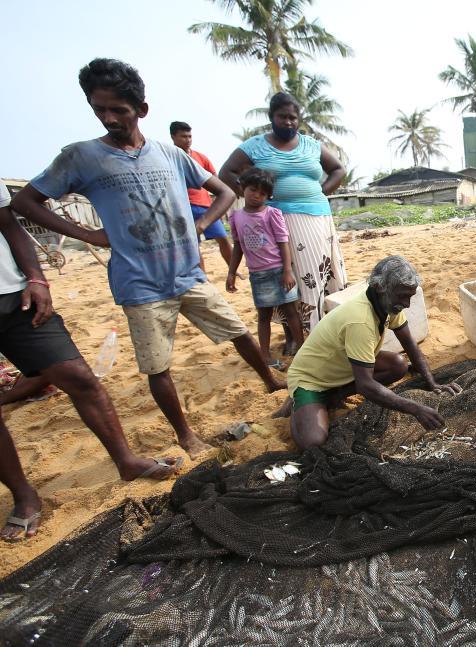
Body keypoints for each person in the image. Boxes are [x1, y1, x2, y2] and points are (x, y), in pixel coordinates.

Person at [11, 58, 285, 458]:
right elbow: (25, 201)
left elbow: (225, 192)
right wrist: (87, 233)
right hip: (139, 284)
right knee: (158, 366)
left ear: (141, 109)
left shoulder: (169, 155)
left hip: (187, 274)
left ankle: (270, 381)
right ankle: (185, 434)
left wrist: (201, 223)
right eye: (99, 110)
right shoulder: (81, 157)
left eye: (118, 110)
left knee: (238, 331)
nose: (109, 118)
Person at [0, 182, 182, 541]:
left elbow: (8, 224)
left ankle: (126, 461)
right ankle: (24, 496)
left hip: (13, 294)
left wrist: (36, 277)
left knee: (77, 376)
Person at [277, 256, 462, 449]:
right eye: (402, 296)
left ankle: (334, 395)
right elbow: (366, 386)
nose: (406, 304)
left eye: (410, 296)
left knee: (398, 365)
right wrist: (416, 409)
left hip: (342, 367)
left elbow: (410, 345)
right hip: (311, 379)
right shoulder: (361, 320)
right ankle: (299, 400)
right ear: (381, 288)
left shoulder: (388, 304)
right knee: (313, 441)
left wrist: (432, 382)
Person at [220, 93, 347, 340]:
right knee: (286, 276)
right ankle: (294, 333)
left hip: (316, 218)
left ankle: (320, 329)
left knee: (316, 275)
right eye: (282, 117)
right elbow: (227, 172)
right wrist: (255, 202)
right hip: (276, 220)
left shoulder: (311, 144)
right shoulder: (255, 146)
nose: (288, 122)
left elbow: (338, 169)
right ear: (271, 118)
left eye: (293, 117)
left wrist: (321, 191)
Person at [226, 167, 304, 368]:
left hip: (279, 270)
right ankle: (265, 355)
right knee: (263, 315)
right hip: (257, 274)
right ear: (243, 188)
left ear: (268, 196)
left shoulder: (272, 214)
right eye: (253, 190)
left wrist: (287, 270)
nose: (256, 196)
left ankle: (303, 350)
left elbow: (283, 242)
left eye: (262, 193)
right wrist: (231, 272)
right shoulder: (235, 217)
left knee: (291, 311)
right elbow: (237, 246)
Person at [169, 121, 233, 271]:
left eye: (190, 136)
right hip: (183, 207)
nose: (188, 140)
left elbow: (216, 180)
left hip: (206, 206)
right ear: (173, 137)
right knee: (193, 244)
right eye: (183, 136)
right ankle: (203, 276)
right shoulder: (168, 158)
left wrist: (218, 200)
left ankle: (233, 270)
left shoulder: (200, 157)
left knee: (222, 237)